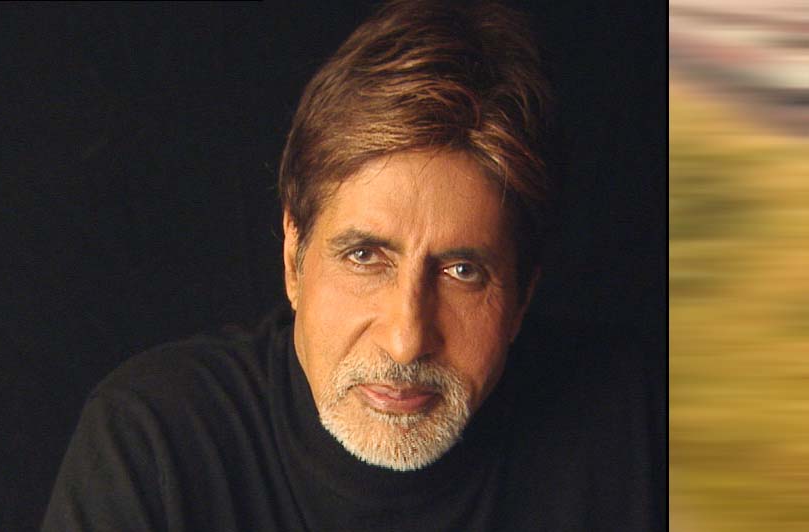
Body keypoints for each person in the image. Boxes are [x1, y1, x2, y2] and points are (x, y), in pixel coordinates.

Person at [42, 1, 661, 530]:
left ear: (522, 298)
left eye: (462, 272)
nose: (406, 339)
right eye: (365, 257)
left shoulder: (634, 429)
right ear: (294, 257)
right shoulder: (157, 442)